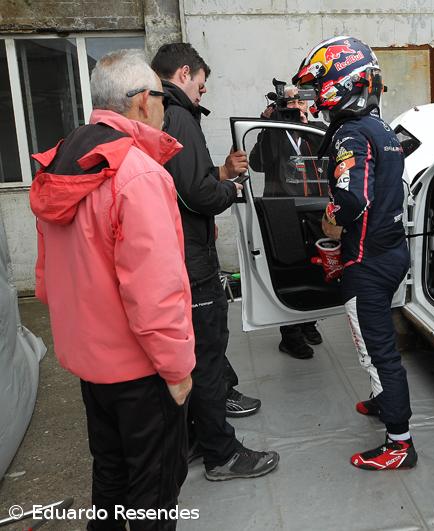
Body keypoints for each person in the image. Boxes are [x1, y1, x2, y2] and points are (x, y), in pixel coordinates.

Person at [30, 49, 194, 529]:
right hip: (140, 370)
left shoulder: (63, 160)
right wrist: (177, 368)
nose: (166, 107)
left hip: (90, 363)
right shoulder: (138, 174)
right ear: (144, 101)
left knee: (111, 478)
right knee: (154, 492)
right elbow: (155, 293)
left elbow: (46, 277)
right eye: (163, 97)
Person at [151, 42, 278, 480]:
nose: (202, 94)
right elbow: (197, 194)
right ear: (184, 73)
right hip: (191, 260)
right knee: (204, 359)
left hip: (173, 252)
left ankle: (191, 441)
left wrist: (220, 171)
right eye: (201, 86)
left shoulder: (158, 115)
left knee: (189, 357)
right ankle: (222, 454)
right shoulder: (180, 115)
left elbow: (185, 182)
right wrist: (229, 190)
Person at [293, 36, 417, 470]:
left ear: (341, 83)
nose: (318, 97)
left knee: (378, 350)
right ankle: (385, 401)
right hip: (391, 250)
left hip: (367, 260)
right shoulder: (382, 128)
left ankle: (400, 443)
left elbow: (351, 201)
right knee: (379, 346)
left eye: (321, 84)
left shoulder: (350, 132)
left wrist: (329, 219)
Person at [249, 84, 324, 359]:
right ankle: (290, 336)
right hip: (283, 211)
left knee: (314, 267)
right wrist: (267, 126)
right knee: (289, 271)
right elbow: (257, 163)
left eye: (300, 102)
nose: (296, 107)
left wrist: (305, 126)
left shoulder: (314, 130)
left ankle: (309, 322)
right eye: (290, 102)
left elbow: (327, 157)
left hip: (314, 210)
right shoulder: (274, 132)